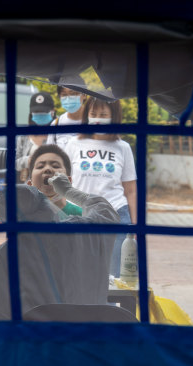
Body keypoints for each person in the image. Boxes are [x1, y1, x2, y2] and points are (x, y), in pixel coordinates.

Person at [0, 175, 120, 320]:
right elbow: (107, 213)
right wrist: (69, 191)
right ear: (44, 203)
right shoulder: (81, 233)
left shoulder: (5, 255)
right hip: (91, 338)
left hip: (35, 340)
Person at [64, 97, 137, 277]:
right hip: (79, 215)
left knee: (113, 278)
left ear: (114, 117)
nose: (97, 118)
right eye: (93, 114)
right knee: (78, 274)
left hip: (116, 215)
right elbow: (64, 182)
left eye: (103, 114)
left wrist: (136, 225)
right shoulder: (73, 145)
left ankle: (110, 306)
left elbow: (131, 189)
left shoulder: (123, 147)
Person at [26, 144, 82, 216]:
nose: (47, 169)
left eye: (55, 166)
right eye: (40, 166)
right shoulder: (19, 216)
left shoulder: (84, 216)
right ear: (30, 184)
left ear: (68, 181)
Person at [16, 92, 53, 181]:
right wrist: (28, 160)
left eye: (43, 111)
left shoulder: (57, 135)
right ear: (31, 113)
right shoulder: (23, 137)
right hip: (29, 187)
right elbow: (14, 163)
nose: (40, 114)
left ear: (52, 112)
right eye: (36, 112)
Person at [46, 75, 88, 150]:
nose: (68, 99)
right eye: (64, 95)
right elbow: (50, 153)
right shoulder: (56, 124)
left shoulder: (94, 121)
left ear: (84, 95)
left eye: (73, 94)